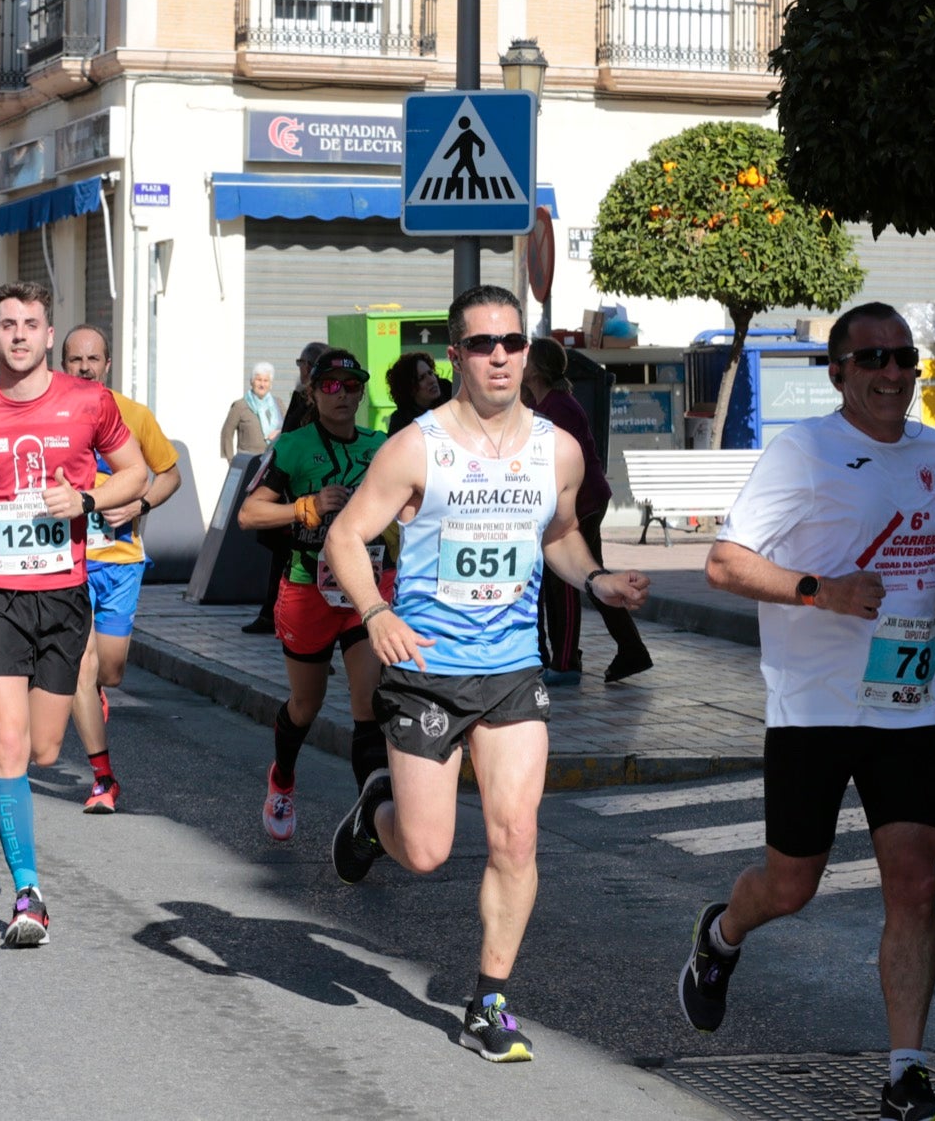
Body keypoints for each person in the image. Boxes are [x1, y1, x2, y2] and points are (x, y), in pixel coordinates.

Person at [676, 302, 935, 1121]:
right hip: (813, 708)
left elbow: (921, 531)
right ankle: (720, 935)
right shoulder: (803, 450)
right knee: (791, 886)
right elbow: (723, 563)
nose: (893, 373)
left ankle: (905, 1075)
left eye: (904, 358)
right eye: (874, 359)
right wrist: (820, 591)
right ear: (837, 371)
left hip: (904, 703)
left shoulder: (928, 447)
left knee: (916, 882)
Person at [323, 285, 650, 1063]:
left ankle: (489, 1000)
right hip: (426, 669)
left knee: (517, 835)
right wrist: (376, 612)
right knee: (427, 850)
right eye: (481, 344)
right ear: (455, 356)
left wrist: (596, 580)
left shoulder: (556, 449)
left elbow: (560, 536)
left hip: (510, 669)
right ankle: (375, 817)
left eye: (511, 342)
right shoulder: (417, 446)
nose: (498, 356)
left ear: (526, 352)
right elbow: (345, 536)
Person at [0, 282, 147, 947]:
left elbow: (134, 473)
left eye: (30, 323)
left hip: (62, 595)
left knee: (45, 749)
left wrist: (87, 498)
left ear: (49, 335)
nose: (18, 334)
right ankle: (28, 895)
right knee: (11, 739)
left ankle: (14, 755)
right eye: (7, 324)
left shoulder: (89, 402)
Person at [237, 348, 393, 841]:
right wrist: (306, 506)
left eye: (351, 386)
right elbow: (249, 514)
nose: (341, 395)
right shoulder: (293, 447)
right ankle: (282, 777)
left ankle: (372, 820)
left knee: (367, 702)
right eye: (330, 386)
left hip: (366, 590)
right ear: (313, 392)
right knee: (307, 704)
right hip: (309, 589)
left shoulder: (382, 447)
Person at [62, 325, 182, 814]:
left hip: (121, 561)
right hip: (70, 561)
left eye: (93, 359)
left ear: (107, 364)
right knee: (81, 666)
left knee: (109, 671)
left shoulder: (134, 414)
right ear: (63, 365)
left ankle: (95, 693)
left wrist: (141, 504)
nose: (85, 367)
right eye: (76, 360)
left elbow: (170, 474)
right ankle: (103, 779)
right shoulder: (54, 416)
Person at [521, 337, 652, 686]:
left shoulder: (557, 407)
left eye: (525, 359)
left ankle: (566, 663)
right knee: (593, 577)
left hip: (582, 503)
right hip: (583, 501)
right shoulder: (548, 402)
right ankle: (631, 649)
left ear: (537, 369)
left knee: (565, 580)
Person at [242, 340, 331, 635]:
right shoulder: (301, 395)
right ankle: (274, 612)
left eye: (301, 363)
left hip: (306, 486)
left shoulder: (314, 399)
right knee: (284, 553)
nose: (300, 369)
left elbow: (295, 437)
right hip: (291, 487)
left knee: (296, 554)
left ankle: (286, 614)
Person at [384, 350, 453, 436]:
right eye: (422, 378)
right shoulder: (401, 422)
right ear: (410, 388)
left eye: (430, 373)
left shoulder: (451, 395)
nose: (431, 380)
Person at [221, 362, 279, 459]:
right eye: (259, 380)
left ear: (270, 384)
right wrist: (231, 460)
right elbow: (227, 433)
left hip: (272, 460)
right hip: (247, 461)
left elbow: (288, 429)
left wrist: (279, 432)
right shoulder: (240, 405)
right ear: (252, 382)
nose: (262, 384)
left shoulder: (278, 404)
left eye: (266, 380)